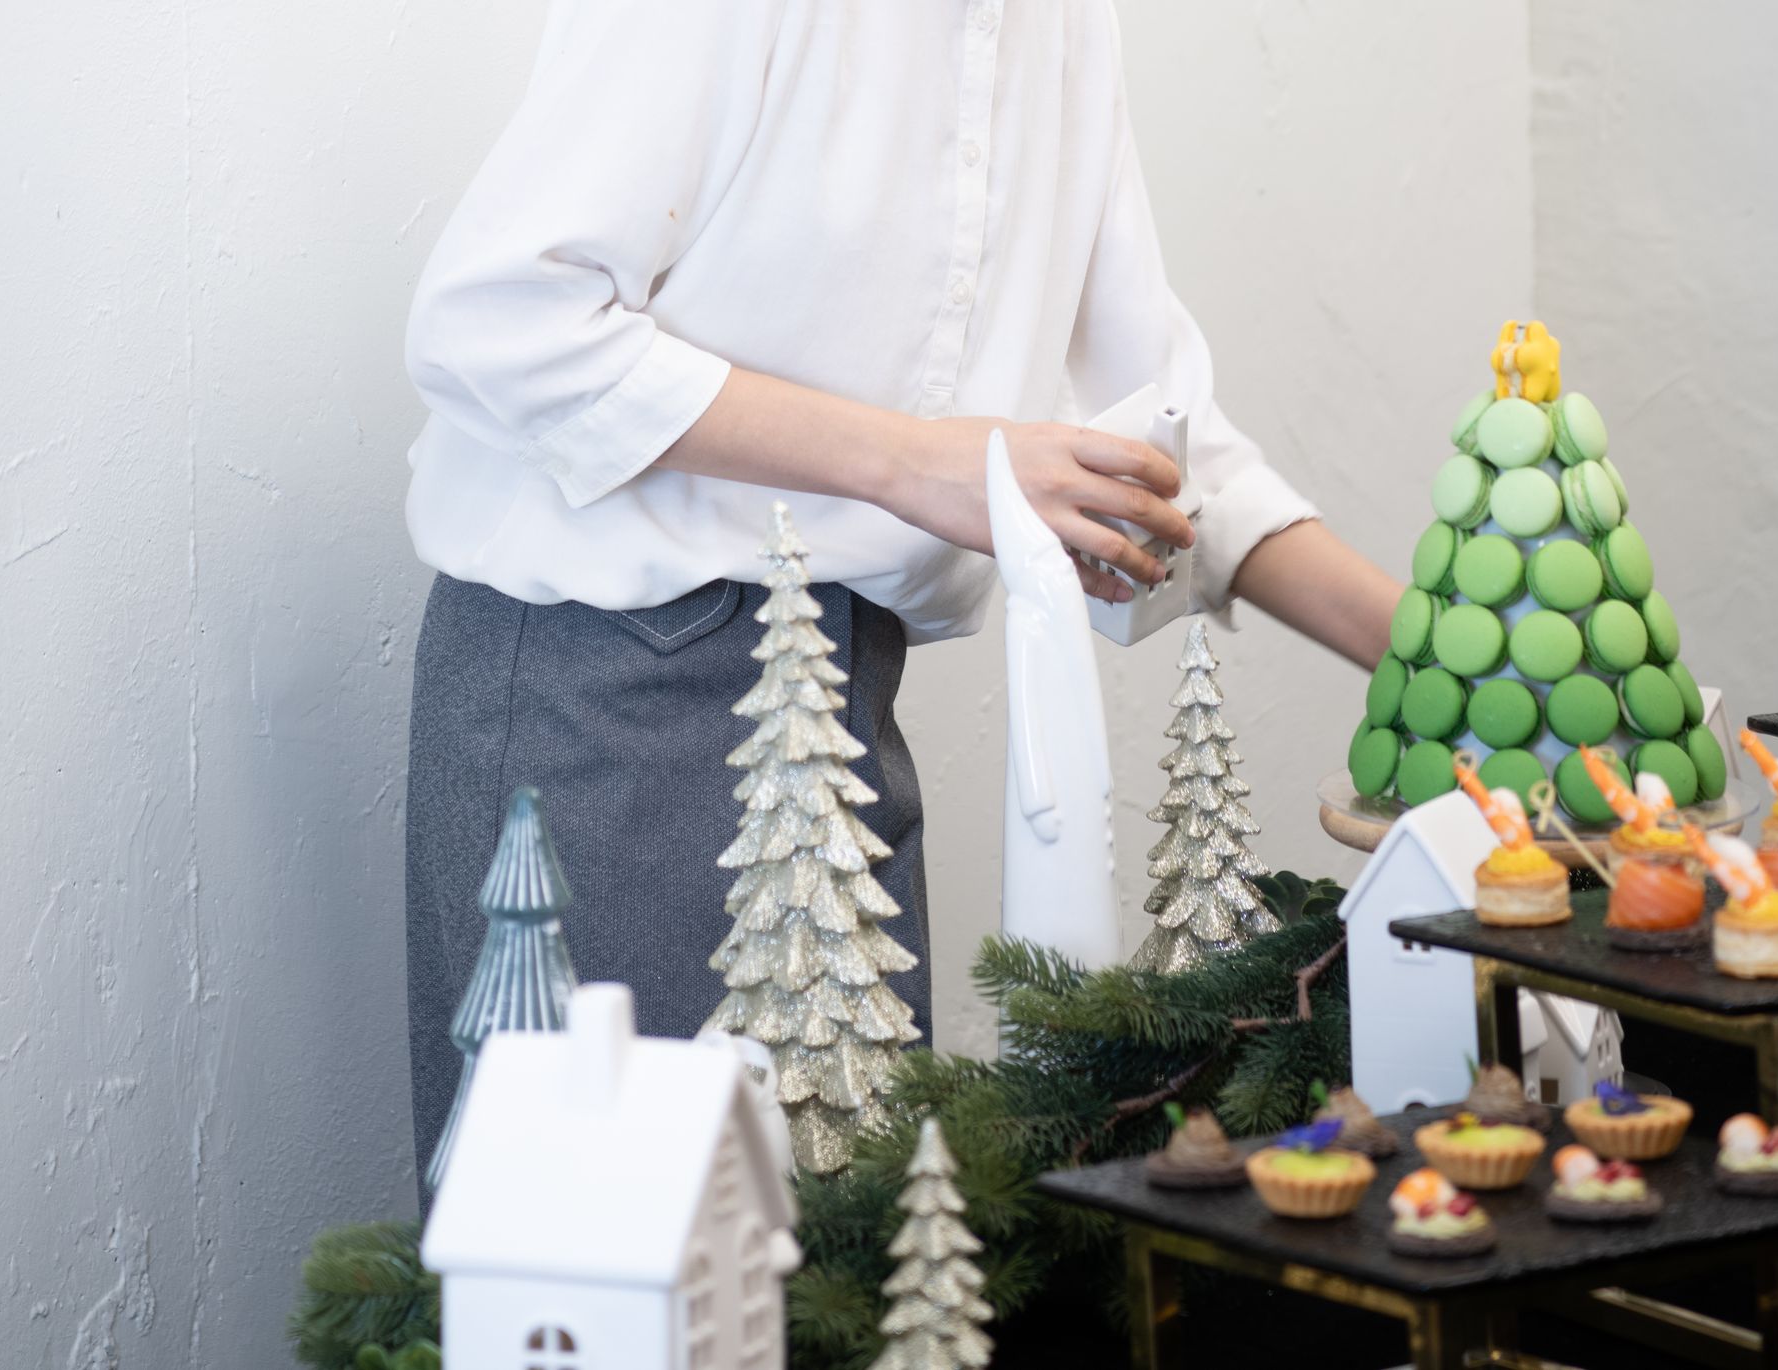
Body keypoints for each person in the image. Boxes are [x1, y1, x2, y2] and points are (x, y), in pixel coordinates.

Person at [401, 0, 1397, 1181]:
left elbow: (1161, 438)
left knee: (854, 1283)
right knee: (625, 1277)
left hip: (844, 687)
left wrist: (1445, 666)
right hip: (602, 699)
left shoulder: (1067, 27)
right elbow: (494, 320)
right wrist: (929, 463)